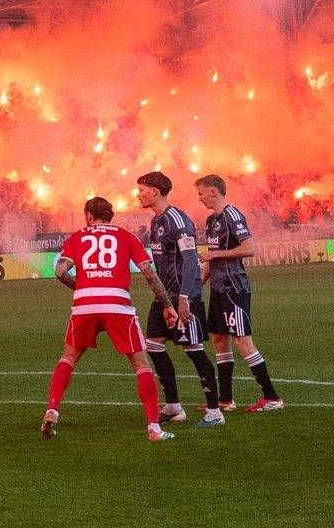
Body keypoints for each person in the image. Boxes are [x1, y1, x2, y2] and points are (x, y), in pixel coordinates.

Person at [44, 195, 174, 441]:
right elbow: (149, 274)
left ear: (89, 216)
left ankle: (52, 410)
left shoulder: (77, 237)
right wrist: (167, 304)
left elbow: (60, 270)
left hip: (84, 306)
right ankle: (154, 429)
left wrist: (81, 288)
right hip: (117, 305)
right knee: (141, 365)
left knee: (68, 358)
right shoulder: (126, 237)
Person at [135, 171, 224, 427]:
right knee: (152, 345)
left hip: (184, 297)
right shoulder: (155, 222)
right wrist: (164, 300)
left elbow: (189, 260)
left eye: (142, 189)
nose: (138, 194)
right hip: (164, 298)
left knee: (193, 350)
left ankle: (215, 412)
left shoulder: (177, 219)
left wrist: (184, 297)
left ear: (155, 191)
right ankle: (174, 407)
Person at [194, 175, 282, 410]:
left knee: (243, 343)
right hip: (218, 289)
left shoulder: (233, 215)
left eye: (201, 193)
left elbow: (249, 248)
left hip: (234, 288)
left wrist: (214, 255)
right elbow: (210, 261)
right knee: (219, 340)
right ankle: (225, 400)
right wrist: (195, 288)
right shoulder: (212, 220)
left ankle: (272, 398)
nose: (199, 198)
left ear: (213, 191)